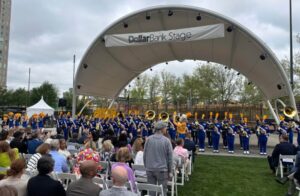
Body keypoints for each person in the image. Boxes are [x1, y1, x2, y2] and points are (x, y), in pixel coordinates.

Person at [143, 121, 173, 196]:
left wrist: (146, 166)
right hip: (162, 170)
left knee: (151, 192)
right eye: (165, 128)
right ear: (162, 129)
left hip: (150, 168)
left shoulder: (149, 139)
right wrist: (170, 171)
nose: (166, 129)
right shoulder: (166, 141)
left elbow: (145, 155)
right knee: (162, 192)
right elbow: (170, 158)